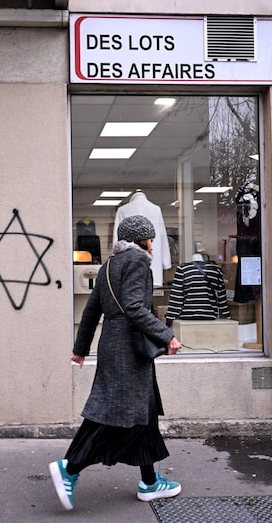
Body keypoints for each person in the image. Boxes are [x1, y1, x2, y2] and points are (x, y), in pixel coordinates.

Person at [49, 215, 183, 511]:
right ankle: (70, 468)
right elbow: (135, 307)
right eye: (151, 238)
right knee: (118, 416)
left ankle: (149, 482)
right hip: (128, 347)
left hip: (112, 343)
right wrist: (166, 336)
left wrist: (81, 347)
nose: (152, 244)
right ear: (141, 239)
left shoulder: (109, 265)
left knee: (142, 412)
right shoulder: (137, 262)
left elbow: (91, 310)